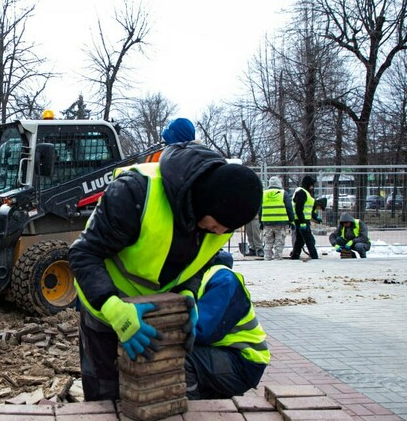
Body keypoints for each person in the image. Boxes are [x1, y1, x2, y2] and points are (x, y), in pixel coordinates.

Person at [68, 142, 263, 401]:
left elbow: (200, 262)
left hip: (153, 315)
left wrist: (188, 295)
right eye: (218, 225)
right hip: (105, 306)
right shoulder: (136, 192)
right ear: (206, 202)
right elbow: (83, 253)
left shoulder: (215, 223)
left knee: (147, 396)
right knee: (106, 399)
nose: (219, 233)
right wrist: (113, 308)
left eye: (226, 230)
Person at [185, 262, 269, 399]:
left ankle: (193, 409)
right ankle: (215, 396)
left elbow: (201, 331)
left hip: (243, 362)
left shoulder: (223, 280)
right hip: (225, 353)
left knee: (179, 357)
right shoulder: (196, 275)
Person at [260, 176, 294, 260]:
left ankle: (267, 258)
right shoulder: (283, 193)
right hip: (280, 222)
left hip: (267, 223)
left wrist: (261, 222)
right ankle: (278, 258)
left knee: (268, 242)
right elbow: (289, 208)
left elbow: (260, 209)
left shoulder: (264, 194)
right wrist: (291, 220)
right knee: (279, 242)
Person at [289, 175, 319, 260]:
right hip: (301, 220)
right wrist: (302, 222)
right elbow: (299, 208)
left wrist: (315, 216)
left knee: (300, 240)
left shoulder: (303, 192)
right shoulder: (302, 192)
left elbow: (306, 208)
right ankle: (314, 256)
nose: (312, 187)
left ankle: (295, 255)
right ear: (308, 184)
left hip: (301, 219)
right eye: (311, 184)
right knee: (309, 240)